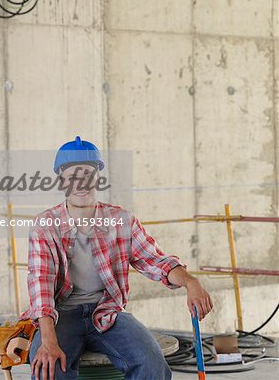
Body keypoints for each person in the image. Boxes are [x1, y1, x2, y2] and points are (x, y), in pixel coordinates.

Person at [18, 136, 213, 380]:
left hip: (107, 312)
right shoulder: (45, 225)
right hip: (61, 315)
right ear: (61, 179)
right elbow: (41, 284)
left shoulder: (121, 221)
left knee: (152, 366)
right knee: (48, 370)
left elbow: (156, 261)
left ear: (98, 177)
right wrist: (47, 339)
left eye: (87, 173)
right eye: (72, 174)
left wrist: (190, 282)